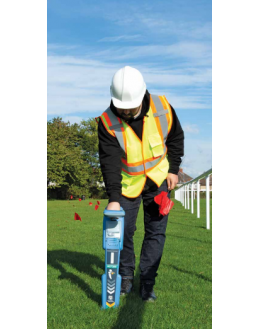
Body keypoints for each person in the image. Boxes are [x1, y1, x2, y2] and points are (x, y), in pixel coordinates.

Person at [98, 66, 184, 302]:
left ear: (142, 96)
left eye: (129, 108)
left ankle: (147, 283)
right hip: (128, 184)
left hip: (159, 180)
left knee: (156, 232)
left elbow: (176, 138)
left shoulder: (162, 107)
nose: (124, 112)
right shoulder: (107, 121)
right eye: (120, 108)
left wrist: (174, 170)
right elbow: (109, 162)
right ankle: (125, 277)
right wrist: (114, 198)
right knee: (123, 233)